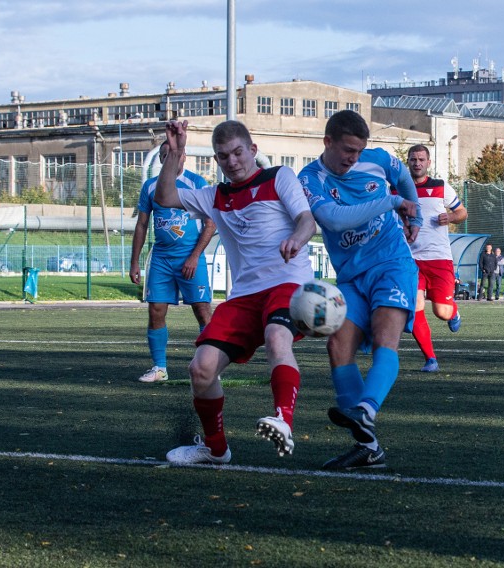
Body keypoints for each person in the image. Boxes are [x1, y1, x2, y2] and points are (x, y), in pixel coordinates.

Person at [155, 119, 316, 465]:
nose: (232, 161)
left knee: (277, 338)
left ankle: (283, 421)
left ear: (253, 150)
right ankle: (215, 450)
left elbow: (307, 220)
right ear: (216, 160)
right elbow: (165, 196)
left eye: (238, 152)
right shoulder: (215, 196)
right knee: (201, 369)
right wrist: (175, 151)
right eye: (223, 156)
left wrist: (297, 239)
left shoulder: (279, 178)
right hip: (243, 296)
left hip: (288, 284)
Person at [299, 110, 422, 470]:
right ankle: (368, 448)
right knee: (337, 345)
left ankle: (366, 410)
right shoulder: (310, 179)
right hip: (351, 276)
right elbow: (335, 219)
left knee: (387, 337)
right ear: (328, 142)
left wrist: (412, 215)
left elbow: (402, 177)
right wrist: (393, 202)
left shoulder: (379, 159)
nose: (353, 158)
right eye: (347, 150)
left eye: (358, 151)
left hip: (391, 263)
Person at [130, 141, 216, 383]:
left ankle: (209, 368)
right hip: (161, 258)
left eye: (173, 155)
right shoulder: (150, 187)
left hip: (191, 256)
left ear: (183, 157)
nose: (169, 159)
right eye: (164, 156)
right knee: (155, 309)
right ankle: (159, 368)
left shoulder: (197, 183)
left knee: (202, 311)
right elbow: (142, 224)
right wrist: (134, 262)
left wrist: (195, 255)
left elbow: (211, 223)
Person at [405, 145, 467, 373]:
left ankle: (453, 311)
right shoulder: (398, 189)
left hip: (439, 258)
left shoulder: (440, 186)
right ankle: (430, 359)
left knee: (441, 312)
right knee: (415, 306)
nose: (417, 163)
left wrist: (450, 216)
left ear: (428, 162)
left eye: (421, 159)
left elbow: (462, 212)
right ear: (408, 162)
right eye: (413, 159)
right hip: (410, 259)